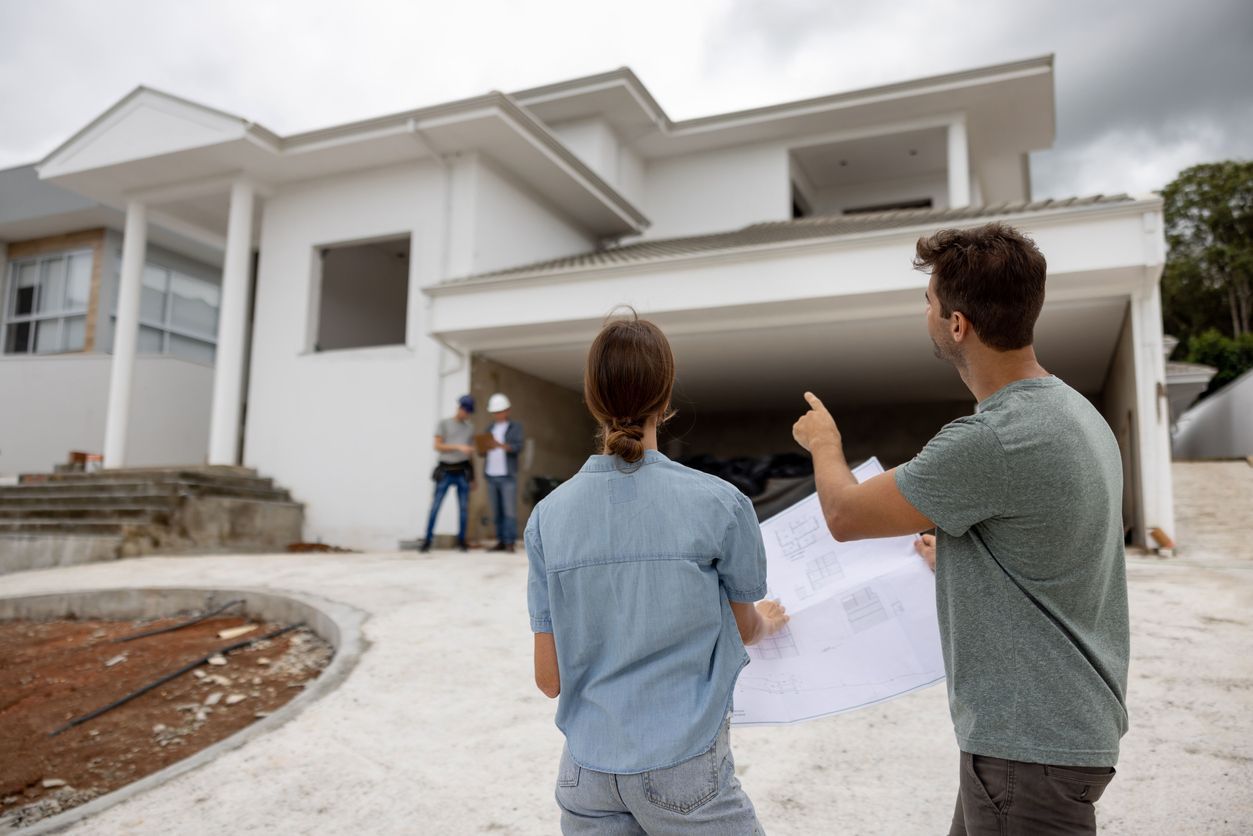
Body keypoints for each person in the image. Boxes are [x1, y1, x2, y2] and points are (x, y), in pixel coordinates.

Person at [791, 223, 1128, 835]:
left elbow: (844, 515)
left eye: (928, 302)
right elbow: (1056, 551)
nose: (924, 314)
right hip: (1048, 736)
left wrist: (824, 443)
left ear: (956, 325)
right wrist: (956, 561)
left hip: (1027, 750)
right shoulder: (1077, 414)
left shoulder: (993, 438)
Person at [526, 314, 789, 835]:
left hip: (584, 775)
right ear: (666, 402)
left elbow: (548, 680)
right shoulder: (721, 503)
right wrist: (764, 622)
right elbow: (744, 627)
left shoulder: (547, 517)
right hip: (683, 764)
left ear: (593, 401)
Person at [419, 395, 476, 553]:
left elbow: (470, 454)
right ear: (459, 407)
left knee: (464, 508)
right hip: (445, 471)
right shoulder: (444, 424)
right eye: (465, 409)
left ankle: (462, 541)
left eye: (469, 411)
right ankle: (427, 541)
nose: (466, 414)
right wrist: (459, 447)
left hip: (463, 471)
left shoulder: (470, 428)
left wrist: (473, 477)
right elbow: (437, 446)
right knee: (435, 507)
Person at [483, 392, 525, 553]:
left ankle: (510, 542)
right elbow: (483, 453)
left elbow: (518, 447)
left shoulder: (515, 427)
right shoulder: (489, 428)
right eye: (495, 412)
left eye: (500, 411)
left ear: (507, 410)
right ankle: (500, 540)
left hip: (507, 475)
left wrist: (501, 445)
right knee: (497, 511)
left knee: (509, 510)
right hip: (491, 474)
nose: (497, 415)